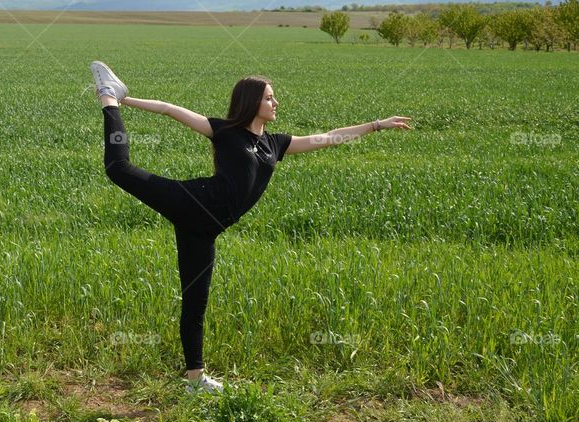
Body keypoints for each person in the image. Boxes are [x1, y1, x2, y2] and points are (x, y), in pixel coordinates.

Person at [89, 61, 412, 393]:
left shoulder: (275, 144)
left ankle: (195, 379)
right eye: (269, 98)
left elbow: (329, 138)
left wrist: (376, 125)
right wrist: (125, 101)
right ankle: (108, 97)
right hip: (191, 201)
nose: (275, 103)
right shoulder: (227, 132)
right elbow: (171, 110)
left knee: (195, 300)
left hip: (205, 230)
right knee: (119, 168)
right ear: (252, 102)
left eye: (274, 98)